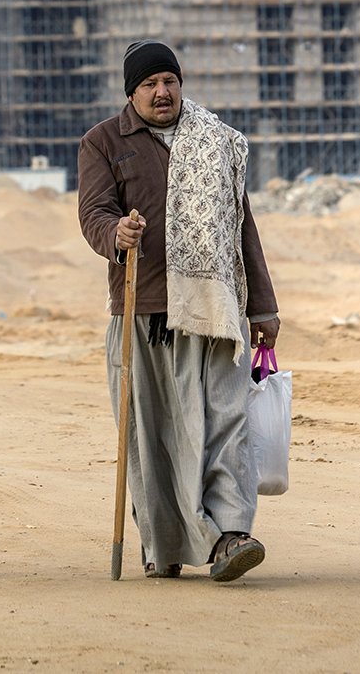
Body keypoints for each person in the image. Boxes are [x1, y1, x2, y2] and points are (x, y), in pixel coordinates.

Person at [77, 39, 280, 582]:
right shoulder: (103, 142)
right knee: (154, 433)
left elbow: (241, 227)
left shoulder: (216, 141)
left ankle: (232, 534)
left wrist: (263, 307)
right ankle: (163, 543)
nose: (162, 92)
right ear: (131, 93)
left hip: (215, 309)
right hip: (142, 310)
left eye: (170, 80)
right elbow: (94, 213)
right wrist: (115, 233)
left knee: (224, 421)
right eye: (150, 84)